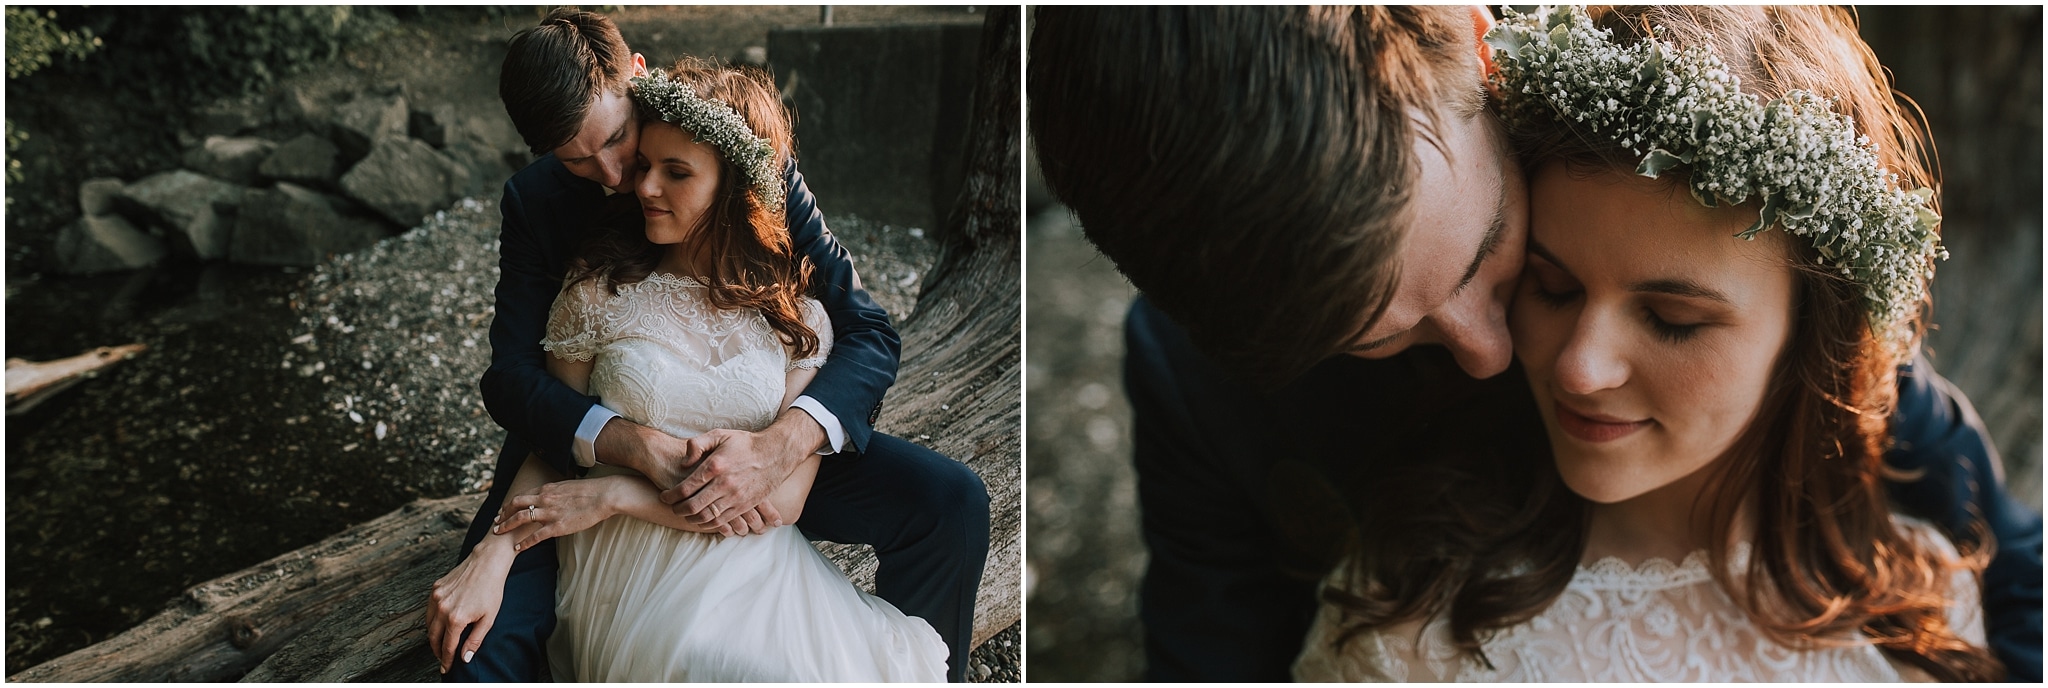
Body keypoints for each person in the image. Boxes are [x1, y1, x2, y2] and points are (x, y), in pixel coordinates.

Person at [1027, 5, 2041, 681]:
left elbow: (1981, 534)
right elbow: (1212, 650)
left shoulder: (1664, 156)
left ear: (1478, 48)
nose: (1493, 352)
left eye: (1490, 265)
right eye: (1380, 334)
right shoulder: (1201, 381)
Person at [1291, 6, 2001, 680]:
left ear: (1810, 334)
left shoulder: (1927, 605)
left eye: (1672, 319)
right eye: (1553, 289)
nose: (1580, 367)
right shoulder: (1407, 625)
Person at [428, 9, 988, 681]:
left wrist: (783, 442)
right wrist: (622, 451)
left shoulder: (739, 149)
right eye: (576, 159)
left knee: (950, 504)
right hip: (586, 446)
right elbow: (514, 378)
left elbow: (865, 328)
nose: (615, 177)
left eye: (616, 140)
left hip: (756, 433)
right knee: (474, 649)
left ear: (637, 77)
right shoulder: (535, 203)